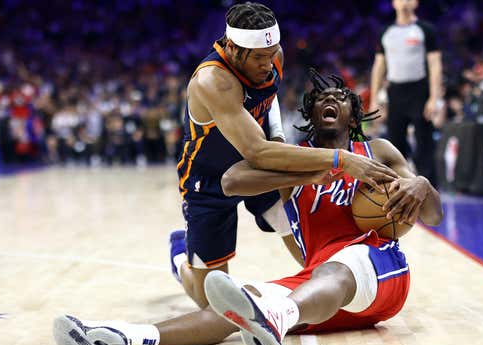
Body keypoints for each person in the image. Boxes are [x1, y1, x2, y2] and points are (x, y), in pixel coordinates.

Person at [52, 71, 443, 345]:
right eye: (321, 96)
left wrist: (422, 184)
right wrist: (322, 169)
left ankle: (275, 312)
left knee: (340, 266)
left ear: (353, 110)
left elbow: (434, 215)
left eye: (340, 96)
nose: (330, 100)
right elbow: (232, 180)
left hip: (380, 270)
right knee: (238, 304)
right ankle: (128, 338)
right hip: (317, 290)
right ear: (310, 110)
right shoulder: (297, 157)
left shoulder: (380, 151)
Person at [168, 2, 397, 309]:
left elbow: (269, 100)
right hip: (209, 179)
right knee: (210, 306)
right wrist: (339, 159)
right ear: (234, 49)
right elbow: (258, 151)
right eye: (259, 57)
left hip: (260, 169)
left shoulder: (273, 56)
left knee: (316, 262)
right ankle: (182, 258)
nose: (268, 62)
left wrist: (277, 136)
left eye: (272, 51)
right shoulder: (213, 81)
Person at [369, 0, 443, 184]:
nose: (404, 2)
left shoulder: (425, 30)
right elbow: (379, 67)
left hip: (419, 90)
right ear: (394, 3)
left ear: (416, 3)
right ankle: (398, 185)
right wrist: (374, 100)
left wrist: (434, 98)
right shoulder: (386, 32)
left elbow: (435, 65)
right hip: (396, 91)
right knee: (395, 142)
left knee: (424, 142)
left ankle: (429, 188)